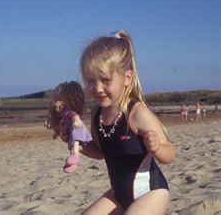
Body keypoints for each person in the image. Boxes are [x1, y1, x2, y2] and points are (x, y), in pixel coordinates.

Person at [59, 30, 175, 214]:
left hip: (151, 193)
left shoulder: (137, 114)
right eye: (90, 81)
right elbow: (100, 153)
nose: (97, 88)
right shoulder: (97, 113)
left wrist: (157, 148)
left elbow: (170, 155)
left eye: (105, 80)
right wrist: (75, 141)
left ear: (127, 78)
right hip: (119, 194)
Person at [45, 81, 92, 173]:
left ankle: (76, 154)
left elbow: (74, 115)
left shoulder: (68, 112)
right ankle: (73, 163)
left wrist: (77, 120)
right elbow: (61, 124)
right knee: (72, 140)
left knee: (75, 138)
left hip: (76, 127)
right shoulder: (63, 113)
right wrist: (57, 132)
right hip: (71, 128)